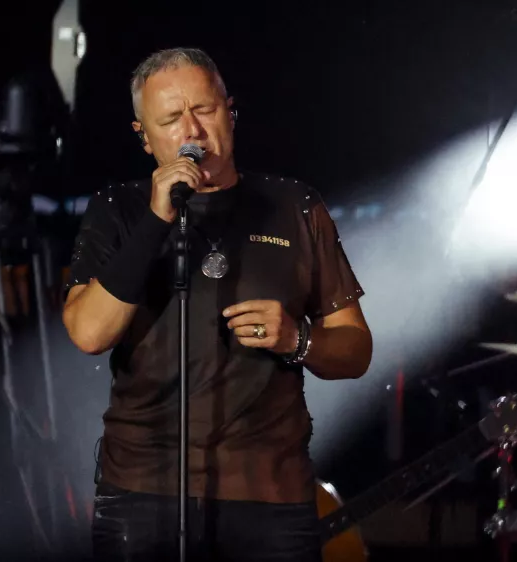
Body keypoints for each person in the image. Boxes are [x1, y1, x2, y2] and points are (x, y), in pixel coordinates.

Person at [62, 47, 373, 562]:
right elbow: (89, 333)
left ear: (230, 112)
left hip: (270, 493)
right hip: (144, 490)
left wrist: (299, 340)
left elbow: (356, 349)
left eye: (204, 110)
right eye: (170, 118)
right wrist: (157, 220)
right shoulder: (117, 210)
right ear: (144, 136)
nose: (192, 130)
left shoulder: (294, 206)